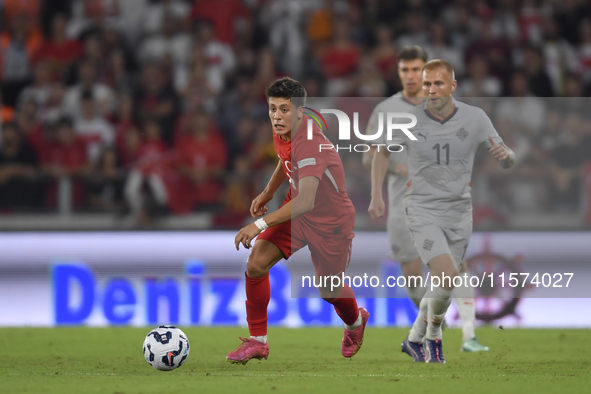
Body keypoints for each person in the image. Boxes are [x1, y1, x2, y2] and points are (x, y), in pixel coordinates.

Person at [369, 60, 515, 363]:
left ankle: (414, 338)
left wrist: (506, 157)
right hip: (421, 209)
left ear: (452, 86)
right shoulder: (409, 120)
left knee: (442, 281)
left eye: (437, 83)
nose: (431, 90)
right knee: (447, 274)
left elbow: (506, 158)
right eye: (427, 84)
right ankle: (434, 336)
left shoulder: (475, 118)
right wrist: (376, 196)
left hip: (460, 212)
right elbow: (380, 152)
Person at [227, 77, 369, 364]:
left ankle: (355, 323)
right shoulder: (285, 130)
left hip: (331, 222)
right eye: (272, 109)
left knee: (329, 290)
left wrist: (259, 223)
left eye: (284, 110)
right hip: (297, 215)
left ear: (300, 112)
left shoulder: (310, 143)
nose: (277, 117)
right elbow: (284, 158)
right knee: (256, 264)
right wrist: (268, 192)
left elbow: (307, 200)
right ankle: (258, 342)